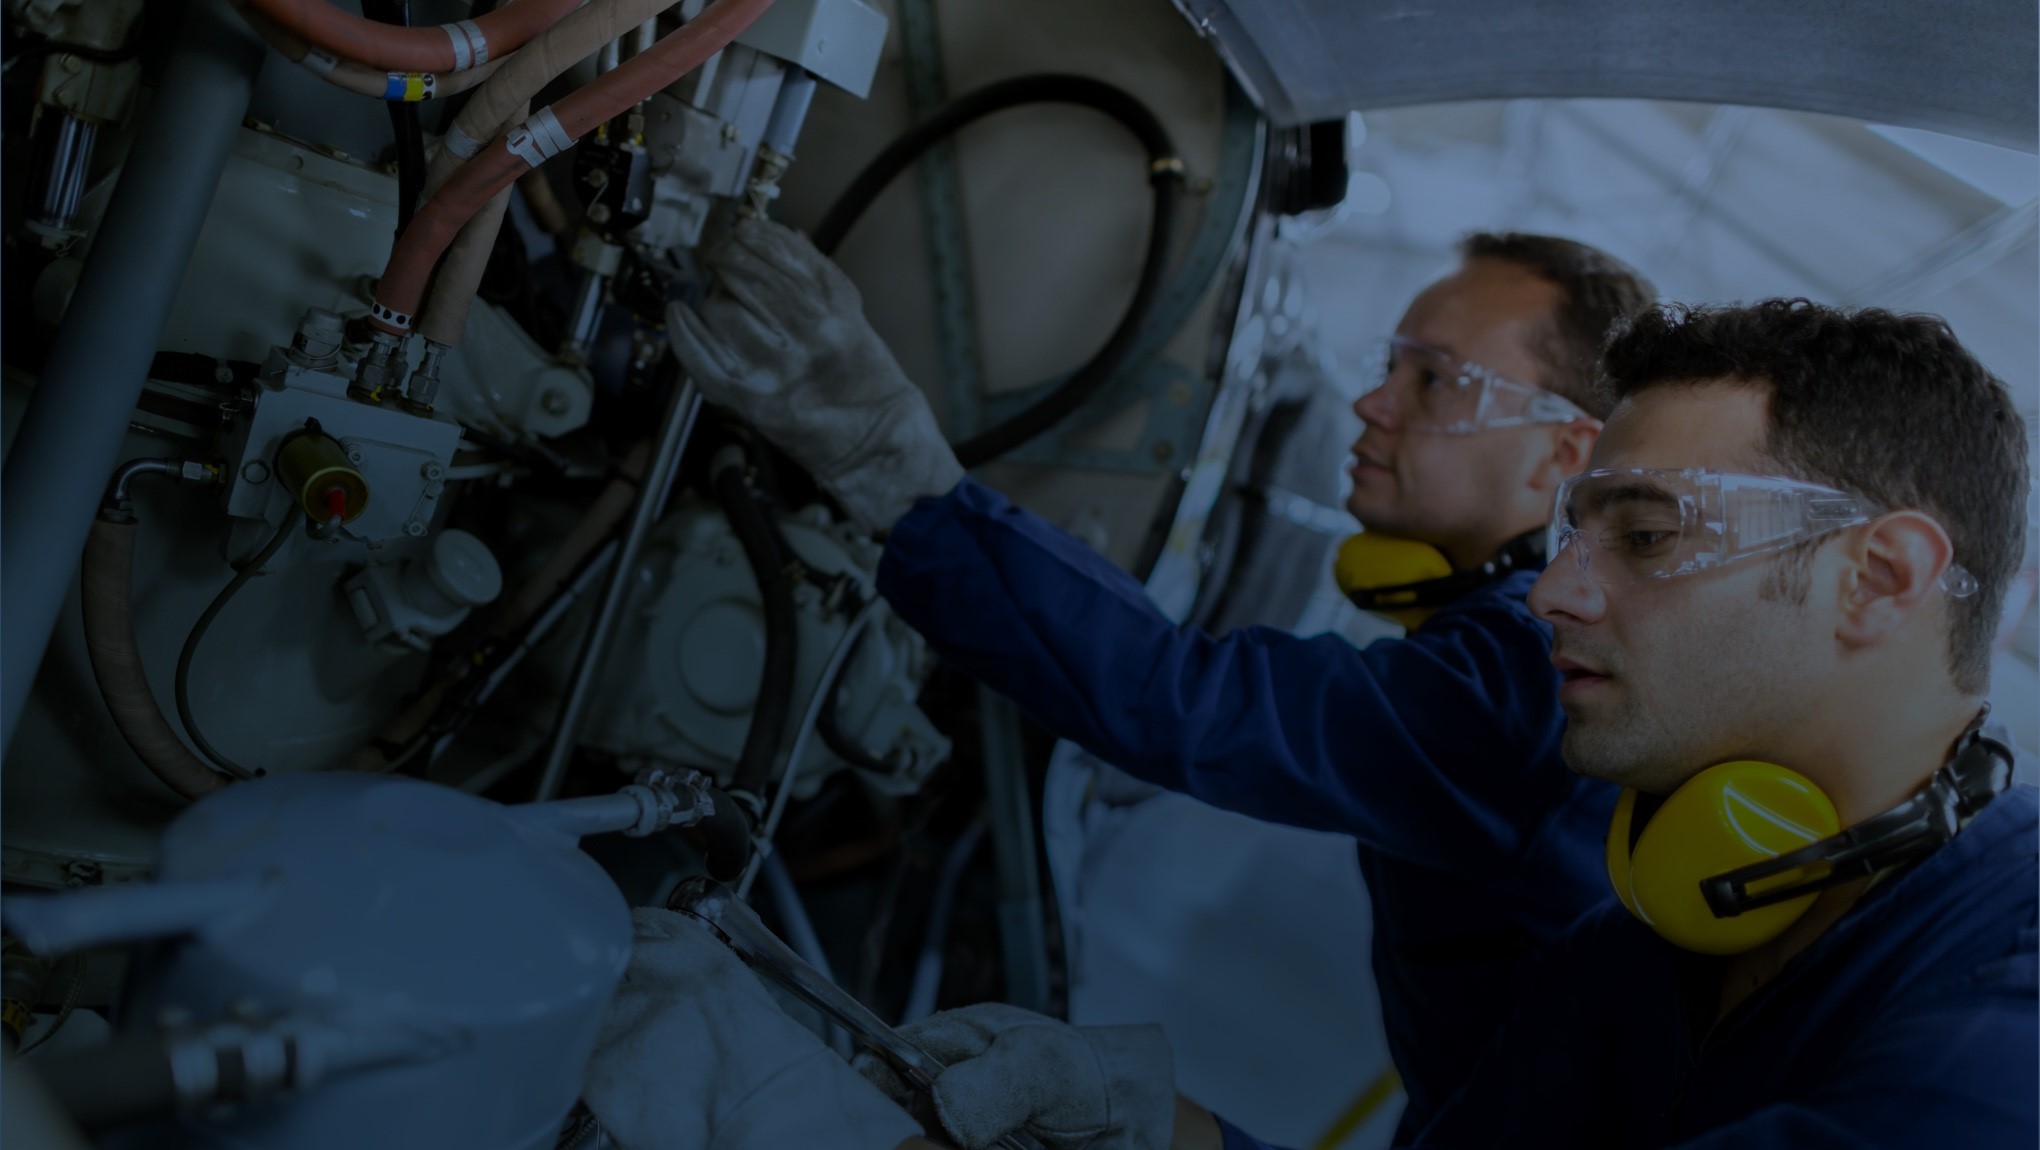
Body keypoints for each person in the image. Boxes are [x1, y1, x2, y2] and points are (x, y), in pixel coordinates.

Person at [632, 297, 2028, 1150]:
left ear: (1879, 577)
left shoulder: (2003, 1023)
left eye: (1648, 531)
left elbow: (1187, 702)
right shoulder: (1652, 939)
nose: (1551, 589)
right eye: (1572, 531)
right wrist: (1156, 1129)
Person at [657, 215, 1656, 1141]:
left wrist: (896, 471)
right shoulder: (1509, 650)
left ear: (1564, 452)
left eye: (1435, 378)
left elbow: (1193, 701)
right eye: (1389, 361)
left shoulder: (1529, 675)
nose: (1372, 401)